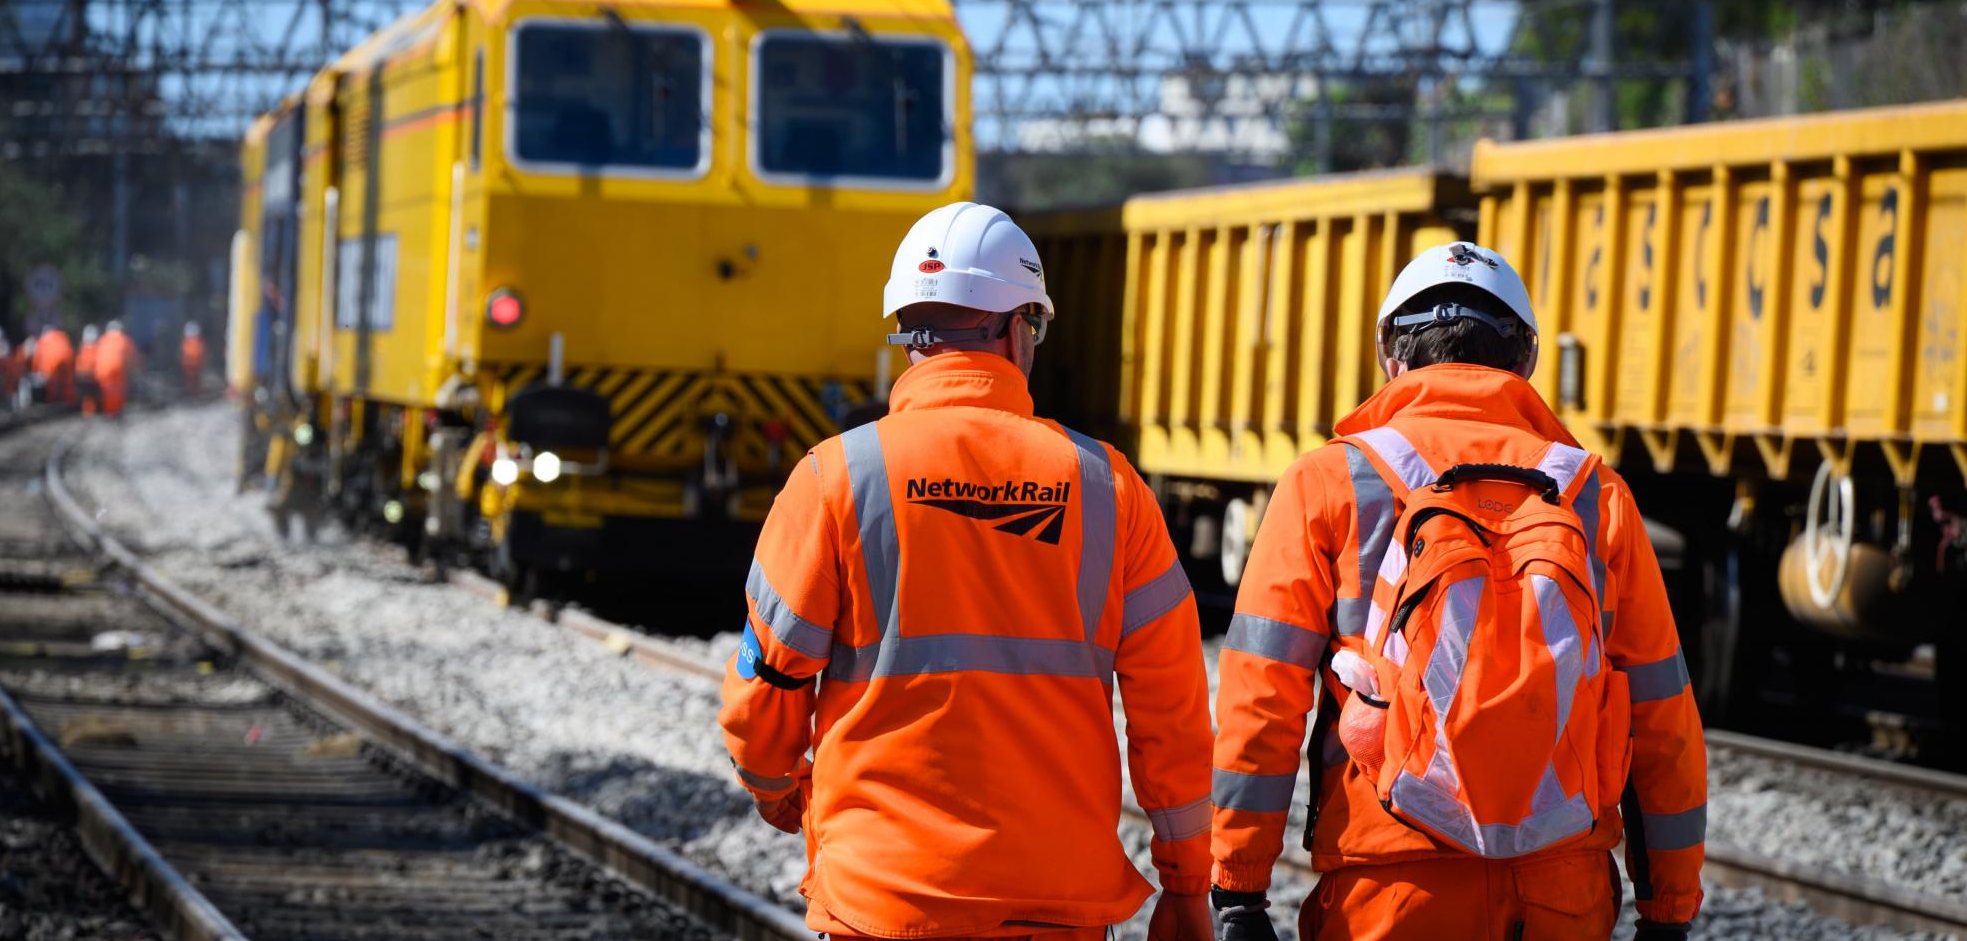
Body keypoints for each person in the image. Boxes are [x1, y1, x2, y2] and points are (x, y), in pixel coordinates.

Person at [717, 202, 1216, 941]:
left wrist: (774, 784)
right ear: (1019, 328)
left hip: (882, 902)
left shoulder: (836, 478)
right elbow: (1172, 713)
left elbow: (768, 683)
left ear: (908, 333)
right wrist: (1185, 881)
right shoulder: (1110, 490)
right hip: (1053, 903)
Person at [1209, 242, 1706, 940]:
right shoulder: (1598, 498)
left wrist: (1238, 887)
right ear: (1525, 361)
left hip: (1391, 884)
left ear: (1392, 356)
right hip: (1561, 887)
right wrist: (1669, 909)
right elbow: (1661, 716)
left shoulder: (1328, 484)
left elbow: (1263, 696)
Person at [94, 320, 138, 418]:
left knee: (107, 390)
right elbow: (132, 356)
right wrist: (134, 369)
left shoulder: (102, 339)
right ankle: (116, 412)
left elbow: (96, 356)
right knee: (118, 390)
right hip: (117, 367)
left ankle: (109, 412)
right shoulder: (124, 339)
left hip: (102, 369)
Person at [34, 325, 76, 405]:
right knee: (67, 380)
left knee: (52, 380)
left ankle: (52, 400)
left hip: (52, 361)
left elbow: (37, 357)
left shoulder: (42, 340)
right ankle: (69, 400)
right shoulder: (61, 335)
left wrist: (36, 370)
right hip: (67, 358)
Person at [75, 324, 101, 416]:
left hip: (84, 376)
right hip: (89, 377)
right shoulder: (96, 348)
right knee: (89, 395)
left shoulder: (83, 347)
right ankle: (89, 411)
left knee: (88, 395)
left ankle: (88, 411)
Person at [180, 321, 206, 398]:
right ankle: (191, 392)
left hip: (196, 363)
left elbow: (201, 351)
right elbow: (184, 351)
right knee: (190, 379)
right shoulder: (187, 341)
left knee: (195, 379)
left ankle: (195, 392)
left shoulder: (198, 341)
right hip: (189, 363)